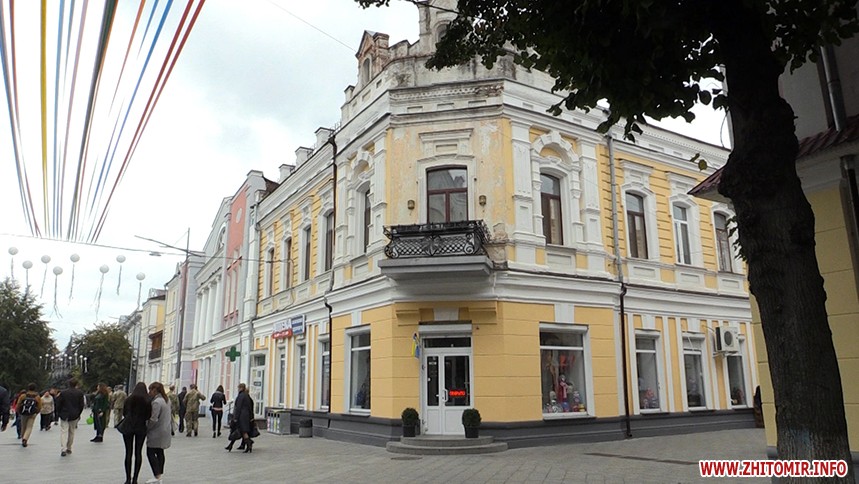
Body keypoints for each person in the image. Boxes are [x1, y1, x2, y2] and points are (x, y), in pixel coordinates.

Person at [122, 383, 151, 484]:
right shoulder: (147, 400)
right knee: (138, 452)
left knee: (128, 452)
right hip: (140, 427)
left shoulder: (129, 399)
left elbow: (124, 413)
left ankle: (127, 478)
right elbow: (148, 415)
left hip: (128, 426)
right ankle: (135, 478)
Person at [146, 382, 173, 484]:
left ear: (155, 390)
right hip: (165, 429)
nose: (149, 392)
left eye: (150, 390)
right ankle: (159, 474)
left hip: (156, 431)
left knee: (150, 452)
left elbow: (154, 419)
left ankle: (157, 476)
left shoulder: (156, 402)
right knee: (160, 452)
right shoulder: (167, 400)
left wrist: (147, 427)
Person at [56, 378, 85, 456]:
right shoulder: (79, 393)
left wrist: (59, 413)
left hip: (64, 414)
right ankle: (69, 447)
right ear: (76, 384)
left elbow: (58, 404)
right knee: (72, 431)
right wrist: (79, 413)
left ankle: (63, 448)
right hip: (74, 414)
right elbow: (81, 405)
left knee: (64, 431)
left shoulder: (63, 393)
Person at [16, 382, 42, 447]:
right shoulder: (37, 397)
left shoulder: (23, 396)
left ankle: (23, 438)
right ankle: (25, 438)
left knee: (23, 426)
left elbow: (18, 404)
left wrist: (18, 411)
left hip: (23, 413)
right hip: (32, 414)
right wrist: (37, 412)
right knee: (29, 427)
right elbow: (39, 406)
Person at [230, 383, 254, 453]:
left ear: (241, 388)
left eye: (238, 388)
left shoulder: (240, 396)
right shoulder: (247, 396)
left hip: (241, 416)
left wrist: (235, 418)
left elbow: (238, 407)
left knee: (243, 431)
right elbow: (250, 407)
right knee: (243, 431)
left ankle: (249, 443)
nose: (238, 389)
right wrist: (251, 417)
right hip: (246, 416)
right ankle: (248, 445)